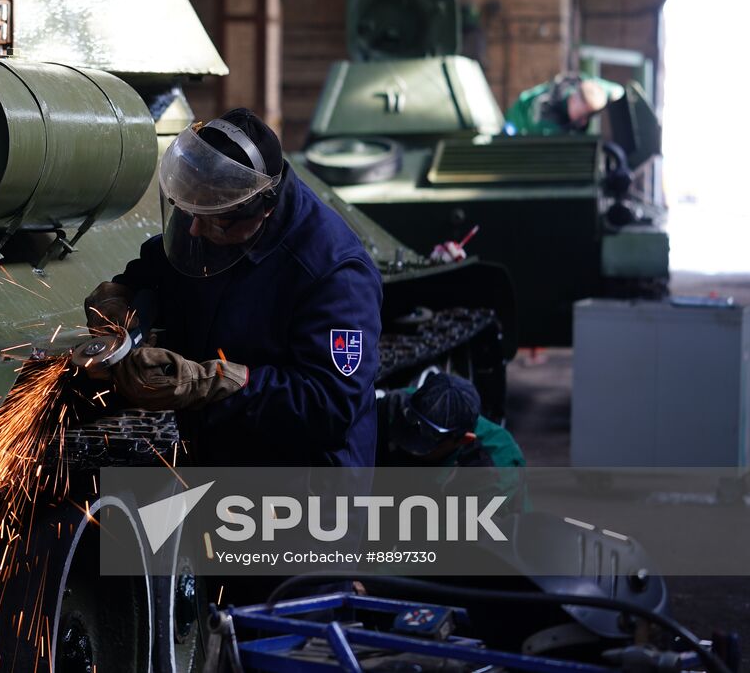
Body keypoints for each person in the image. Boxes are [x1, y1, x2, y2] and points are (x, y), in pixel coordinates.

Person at [84, 108, 383, 468]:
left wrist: (215, 383)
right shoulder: (212, 216)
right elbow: (155, 272)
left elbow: (329, 405)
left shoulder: (334, 273)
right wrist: (121, 301)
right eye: (191, 213)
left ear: (262, 210)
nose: (194, 230)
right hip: (219, 461)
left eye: (215, 221)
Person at [377, 372, 527, 511]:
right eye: (414, 420)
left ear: (463, 439)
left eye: (432, 435)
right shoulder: (395, 406)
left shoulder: (495, 465)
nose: (414, 439)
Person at [504, 73, 623, 136]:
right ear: (575, 99)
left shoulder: (581, 85)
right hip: (515, 123)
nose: (583, 121)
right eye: (582, 114)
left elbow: (617, 90)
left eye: (587, 116)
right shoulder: (547, 118)